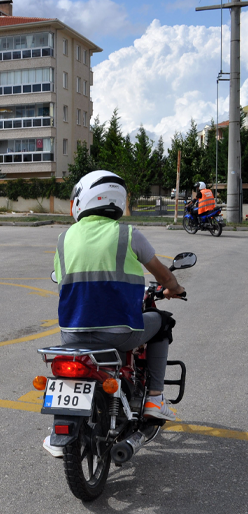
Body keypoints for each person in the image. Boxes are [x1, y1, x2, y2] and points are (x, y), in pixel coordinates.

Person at [47, 170, 185, 451]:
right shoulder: (128, 233)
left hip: (71, 336)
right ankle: (155, 398)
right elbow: (165, 278)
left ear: (82, 199)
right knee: (163, 322)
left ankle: (60, 430)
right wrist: (174, 289)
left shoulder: (63, 238)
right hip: (119, 334)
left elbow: (60, 278)